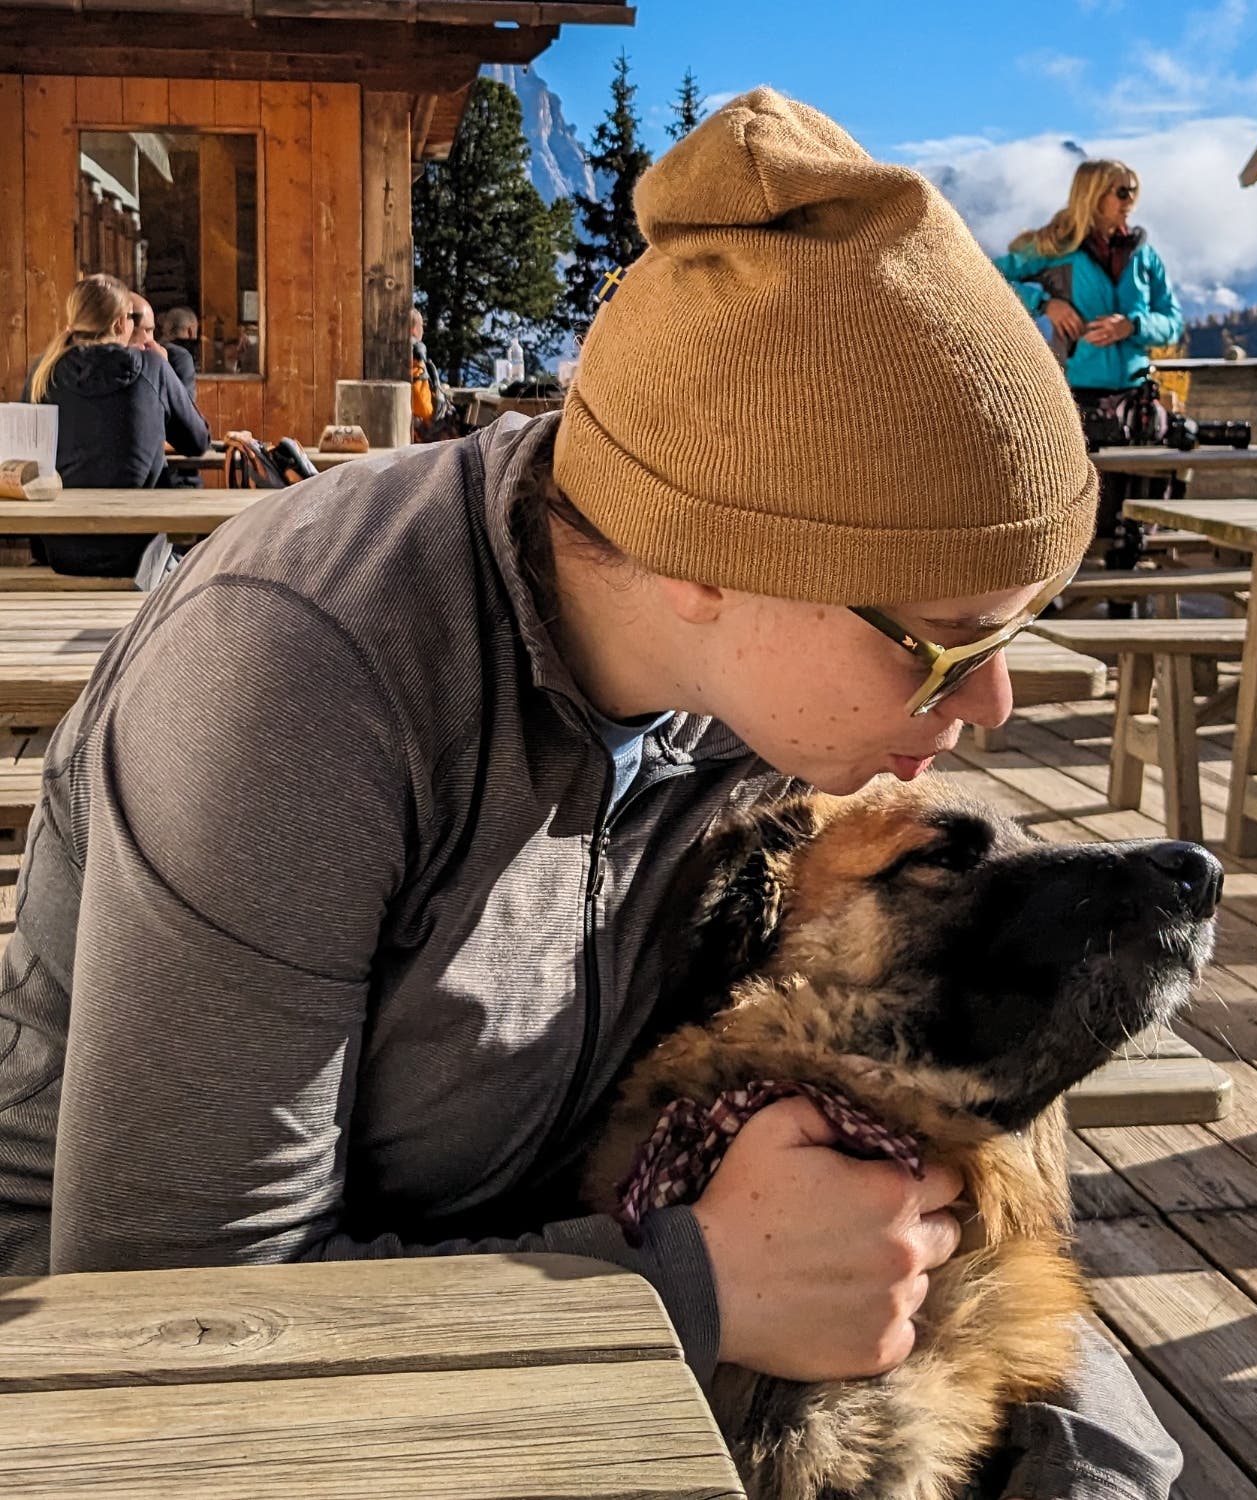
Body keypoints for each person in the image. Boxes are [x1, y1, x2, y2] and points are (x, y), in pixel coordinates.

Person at [0, 93, 1179, 1498]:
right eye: (950, 640)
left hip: (585, 1314)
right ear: (705, 563)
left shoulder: (756, 715)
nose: (989, 705)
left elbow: (946, 1187)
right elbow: (174, 1321)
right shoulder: (303, 681)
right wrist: (691, 1287)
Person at [995, 159, 1184, 575]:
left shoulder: (1143, 253)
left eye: (1134, 189)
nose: (1130, 200)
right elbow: (987, 276)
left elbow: (1173, 322)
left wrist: (1132, 325)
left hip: (1135, 401)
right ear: (1092, 194)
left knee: (1134, 520)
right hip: (1075, 401)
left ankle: (1124, 609)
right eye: (1121, 191)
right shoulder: (1054, 248)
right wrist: (1046, 303)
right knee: (1081, 511)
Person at [24, 273, 210, 576]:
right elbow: (197, 442)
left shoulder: (43, 372)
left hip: (61, 551)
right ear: (121, 324)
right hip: (139, 553)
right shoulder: (152, 368)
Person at [128, 292, 206, 490]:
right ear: (123, 328)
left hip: (174, 477)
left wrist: (163, 368)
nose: (150, 340)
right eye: (145, 331)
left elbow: (191, 435)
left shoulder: (176, 359)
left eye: (152, 331)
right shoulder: (106, 368)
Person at [410, 306, 454, 440]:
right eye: (422, 326)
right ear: (414, 329)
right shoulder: (415, 354)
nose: (423, 330)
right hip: (421, 432)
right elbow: (423, 406)